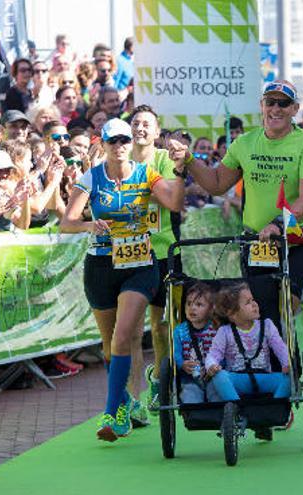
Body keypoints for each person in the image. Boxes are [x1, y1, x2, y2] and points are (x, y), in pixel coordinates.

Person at [60, 118, 184, 442]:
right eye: (112, 141)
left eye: (124, 141)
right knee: (108, 345)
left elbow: (174, 203)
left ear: (131, 143)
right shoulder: (92, 177)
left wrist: (181, 173)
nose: (119, 147)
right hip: (100, 267)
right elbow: (67, 223)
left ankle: (112, 414)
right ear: (102, 144)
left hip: (140, 266)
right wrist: (90, 225)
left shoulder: (146, 175)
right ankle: (127, 403)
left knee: (123, 336)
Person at [182, 80, 303, 310]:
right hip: (257, 243)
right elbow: (217, 184)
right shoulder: (245, 143)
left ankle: (299, 312)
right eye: (271, 102)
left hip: (296, 241)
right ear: (262, 105)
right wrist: (189, 160)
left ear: (295, 109)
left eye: (284, 103)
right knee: (260, 313)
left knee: (284, 309)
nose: (276, 109)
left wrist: (278, 224)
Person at [126, 105, 183, 422]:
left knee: (162, 328)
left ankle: (160, 383)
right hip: (129, 253)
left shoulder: (163, 159)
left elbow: (171, 198)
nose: (140, 128)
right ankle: (134, 401)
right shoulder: (119, 159)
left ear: (157, 132)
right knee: (133, 331)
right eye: (135, 123)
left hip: (165, 253)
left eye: (147, 124)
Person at [205, 282, 291, 403]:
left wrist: (287, 363)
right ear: (232, 314)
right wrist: (211, 365)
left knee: (290, 378)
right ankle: (236, 408)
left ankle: (275, 407)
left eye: (253, 300)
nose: (255, 304)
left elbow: (280, 348)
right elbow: (213, 355)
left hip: (265, 378)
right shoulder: (224, 332)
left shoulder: (267, 325)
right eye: (248, 302)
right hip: (238, 380)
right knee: (219, 377)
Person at [173, 281, 219, 404]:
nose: (192, 308)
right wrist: (182, 364)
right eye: (189, 304)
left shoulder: (216, 329)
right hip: (190, 378)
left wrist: (217, 367)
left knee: (217, 397)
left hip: (213, 377)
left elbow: (224, 352)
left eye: (199, 305)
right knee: (190, 398)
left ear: (211, 309)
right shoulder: (180, 331)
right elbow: (175, 353)